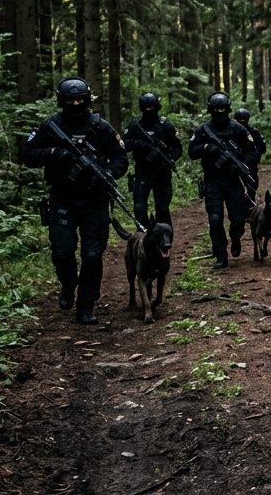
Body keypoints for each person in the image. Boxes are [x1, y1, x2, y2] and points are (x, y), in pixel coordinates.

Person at [21, 77, 129, 325]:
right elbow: (28, 154)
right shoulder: (51, 127)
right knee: (62, 252)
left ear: (87, 99)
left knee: (92, 255)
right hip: (62, 198)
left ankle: (86, 305)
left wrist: (108, 175)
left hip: (95, 199)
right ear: (62, 100)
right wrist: (54, 153)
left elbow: (121, 158)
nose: (75, 104)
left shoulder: (100, 127)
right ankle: (69, 285)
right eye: (70, 100)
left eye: (79, 99)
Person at [188, 92, 259, 269]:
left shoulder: (237, 129)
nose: (219, 112)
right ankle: (220, 255)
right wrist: (206, 148)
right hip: (212, 181)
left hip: (233, 181)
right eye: (216, 109)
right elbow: (191, 151)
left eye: (222, 108)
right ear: (210, 110)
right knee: (214, 219)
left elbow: (253, 152)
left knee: (238, 219)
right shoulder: (204, 130)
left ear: (228, 109)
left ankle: (235, 238)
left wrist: (241, 165)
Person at [123, 92, 182, 228]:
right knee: (139, 209)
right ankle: (144, 236)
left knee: (162, 210)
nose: (149, 110)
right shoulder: (135, 125)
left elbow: (177, 147)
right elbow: (123, 145)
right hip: (142, 172)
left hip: (162, 173)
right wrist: (140, 144)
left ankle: (164, 241)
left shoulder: (165, 125)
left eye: (151, 107)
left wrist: (170, 158)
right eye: (146, 107)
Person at [233, 107, 265, 199]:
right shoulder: (232, 131)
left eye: (244, 120)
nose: (242, 122)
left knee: (251, 186)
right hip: (234, 163)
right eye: (240, 120)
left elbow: (261, 148)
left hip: (250, 165)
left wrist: (252, 158)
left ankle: (250, 205)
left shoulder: (254, 132)